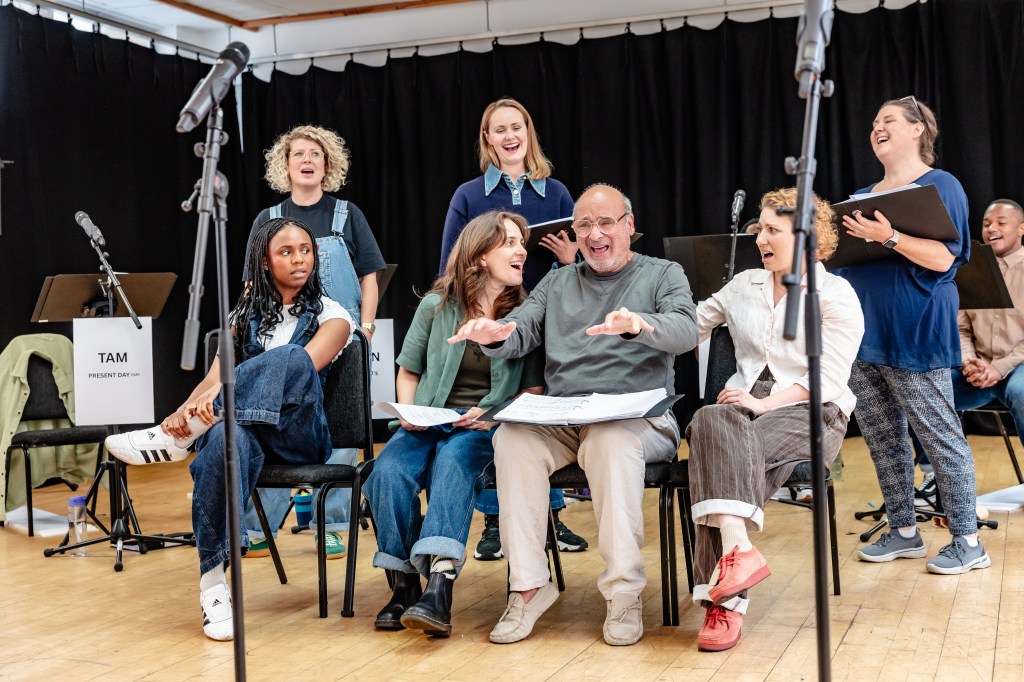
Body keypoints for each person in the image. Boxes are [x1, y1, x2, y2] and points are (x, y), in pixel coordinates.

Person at [449, 184, 699, 647]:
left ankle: (623, 593)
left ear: (629, 226)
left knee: (610, 441)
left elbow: (686, 330)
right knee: (512, 439)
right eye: (584, 224)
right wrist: (494, 333)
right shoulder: (558, 282)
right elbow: (520, 331)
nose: (594, 233)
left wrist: (640, 325)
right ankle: (528, 586)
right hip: (566, 416)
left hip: (639, 418)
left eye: (605, 223)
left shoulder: (664, 273)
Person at [106, 218, 353, 640]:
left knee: (291, 359)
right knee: (222, 441)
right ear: (263, 260)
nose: (299, 260)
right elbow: (214, 377)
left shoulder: (334, 316)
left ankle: (181, 439)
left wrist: (209, 408)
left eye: (306, 250)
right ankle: (213, 585)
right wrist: (182, 413)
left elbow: (304, 369)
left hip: (300, 437)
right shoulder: (244, 315)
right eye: (286, 251)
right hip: (247, 435)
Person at [686, 189, 864, 652]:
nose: (759, 238)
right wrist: (640, 325)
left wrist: (764, 404)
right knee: (710, 419)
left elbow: (827, 377)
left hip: (813, 412)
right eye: (758, 228)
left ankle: (723, 606)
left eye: (772, 230)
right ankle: (737, 552)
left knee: (715, 457)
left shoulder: (837, 294)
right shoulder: (743, 285)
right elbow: (690, 325)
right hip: (740, 409)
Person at [363, 211, 544, 638]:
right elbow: (408, 372)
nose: (522, 251)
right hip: (429, 421)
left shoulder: (526, 314)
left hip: (485, 428)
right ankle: (404, 584)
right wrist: (409, 414)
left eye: (523, 242)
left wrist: (492, 417)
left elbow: (533, 390)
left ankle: (439, 589)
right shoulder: (435, 306)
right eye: (511, 243)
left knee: (454, 462)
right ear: (480, 255)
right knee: (386, 472)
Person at [838, 96, 990, 573]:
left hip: (916, 329)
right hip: (865, 333)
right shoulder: (864, 195)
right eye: (873, 122)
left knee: (940, 435)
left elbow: (946, 259)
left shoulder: (941, 185)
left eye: (887, 120)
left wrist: (889, 237)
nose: (876, 128)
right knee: (883, 438)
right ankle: (904, 531)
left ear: (919, 129)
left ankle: (968, 540)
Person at [438, 97, 585, 561]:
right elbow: (451, 262)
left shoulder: (557, 191)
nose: (509, 136)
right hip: (494, 317)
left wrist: (568, 259)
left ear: (528, 132)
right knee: (493, 414)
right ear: (487, 139)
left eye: (516, 127)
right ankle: (496, 519)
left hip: (548, 318)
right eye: (498, 129)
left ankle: (551, 515)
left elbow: (580, 267)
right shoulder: (468, 195)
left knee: (544, 414)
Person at [241, 125, 386, 560]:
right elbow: (252, 283)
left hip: (337, 341)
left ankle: (335, 523)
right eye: (298, 154)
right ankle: (258, 526)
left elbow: (369, 276)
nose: (307, 160)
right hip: (282, 341)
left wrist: (366, 325)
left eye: (316, 154)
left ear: (328, 164)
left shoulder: (347, 214)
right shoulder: (267, 221)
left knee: (340, 431)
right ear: (284, 166)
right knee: (273, 426)